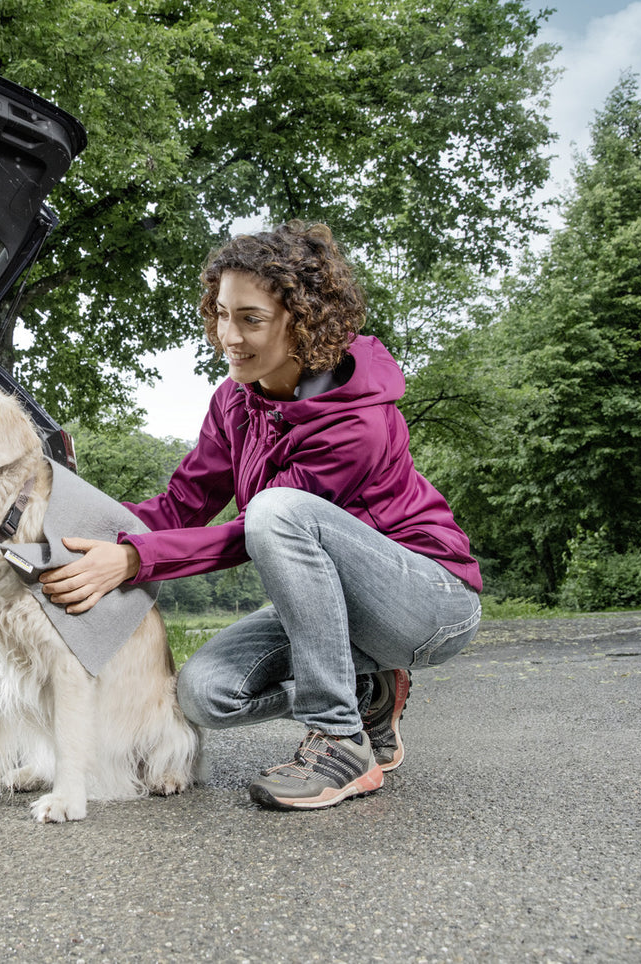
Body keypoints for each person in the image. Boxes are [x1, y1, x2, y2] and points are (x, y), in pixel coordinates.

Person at [38, 221, 483, 812]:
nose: (228, 335)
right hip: (333, 611)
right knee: (203, 696)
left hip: (428, 601)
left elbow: (254, 532)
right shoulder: (234, 400)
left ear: (303, 321)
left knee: (276, 510)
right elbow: (181, 506)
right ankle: (368, 695)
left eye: (251, 319)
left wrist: (134, 560)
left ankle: (340, 741)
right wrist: (65, 524)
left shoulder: (359, 421)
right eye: (221, 314)